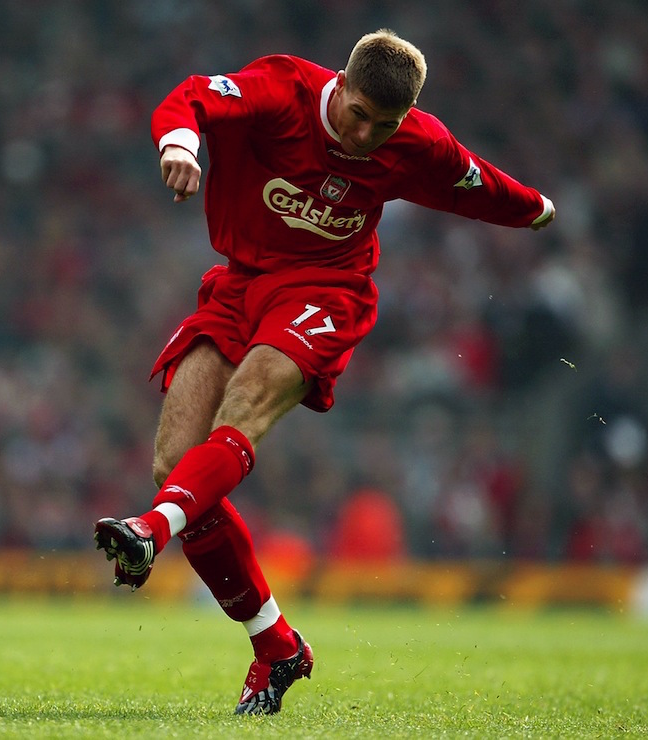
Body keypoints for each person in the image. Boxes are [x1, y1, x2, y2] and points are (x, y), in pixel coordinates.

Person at [94, 29, 555, 715]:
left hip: (325, 291)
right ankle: (277, 645)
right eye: (358, 113)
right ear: (339, 81)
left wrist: (537, 209)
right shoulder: (280, 91)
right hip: (239, 283)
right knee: (175, 468)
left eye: (383, 125)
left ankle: (150, 532)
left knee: (247, 402)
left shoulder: (415, 143)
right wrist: (180, 146)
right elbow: (190, 97)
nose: (365, 135)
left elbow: (473, 182)